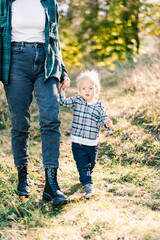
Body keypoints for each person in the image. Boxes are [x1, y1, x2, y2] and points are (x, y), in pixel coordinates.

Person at [0, 0, 70, 206]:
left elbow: (55, 39)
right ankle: (23, 178)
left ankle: (51, 184)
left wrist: (62, 69)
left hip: (46, 62)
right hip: (15, 61)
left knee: (51, 118)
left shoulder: (49, 3)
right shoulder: (5, 2)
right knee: (20, 123)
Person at [59, 70, 112, 198]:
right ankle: (88, 187)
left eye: (90, 88)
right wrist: (62, 92)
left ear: (96, 90)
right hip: (77, 142)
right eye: (83, 88)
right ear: (79, 90)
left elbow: (103, 119)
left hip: (92, 143)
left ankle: (85, 177)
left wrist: (106, 124)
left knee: (91, 164)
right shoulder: (77, 100)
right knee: (83, 165)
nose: (87, 91)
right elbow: (64, 102)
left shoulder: (99, 106)